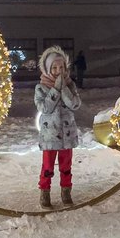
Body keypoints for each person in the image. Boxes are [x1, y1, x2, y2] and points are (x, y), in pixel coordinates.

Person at [35, 45, 82, 208]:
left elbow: (75, 104)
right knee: (47, 166)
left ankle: (66, 192)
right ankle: (45, 192)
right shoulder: (40, 88)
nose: (58, 70)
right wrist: (55, 89)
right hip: (50, 135)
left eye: (61, 67)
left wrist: (64, 89)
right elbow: (45, 108)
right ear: (48, 69)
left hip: (67, 134)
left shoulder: (70, 85)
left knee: (66, 166)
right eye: (54, 67)